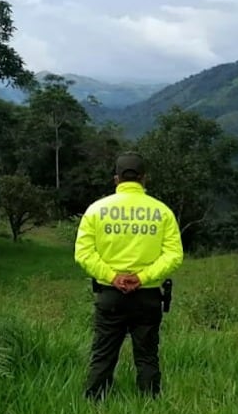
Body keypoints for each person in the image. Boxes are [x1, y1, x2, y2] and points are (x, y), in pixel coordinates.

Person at [74, 152, 184, 400]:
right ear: (144, 179)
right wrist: (142, 277)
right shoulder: (162, 212)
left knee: (103, 353)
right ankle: (151, 405)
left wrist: (113, 277)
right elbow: (174, 255)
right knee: (147, 355)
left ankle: (94, 404)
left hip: (110, 295)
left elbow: (83, 254)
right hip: (148, 296)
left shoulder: (96, 210)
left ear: (116, 179)